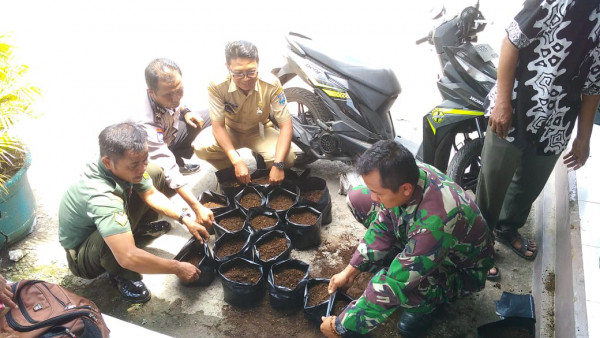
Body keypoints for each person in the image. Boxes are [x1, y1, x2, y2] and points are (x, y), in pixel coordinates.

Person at [476, 0, 600, 278]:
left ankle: (507, 227)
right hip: (517, 106)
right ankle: (478, 243)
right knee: (493, 181)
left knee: (530, 183)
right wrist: (503, 103)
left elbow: (594, 84)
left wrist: (583, 138)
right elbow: (512, 41)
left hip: (558, 120)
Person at [320, 140, 494, 337]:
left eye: (377, 193)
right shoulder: (408, 173)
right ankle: (404, 255)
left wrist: (341, 325)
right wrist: (351, 270)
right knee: (357, 197)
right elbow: (384, 222)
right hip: (430, 243)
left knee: (408, 286)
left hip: (459, 269)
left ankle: (427, 308)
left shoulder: (436, 222)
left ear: (405, 189)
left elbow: (395, 284)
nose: (374, 197)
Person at [58, 123, 212, 304]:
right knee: (114, 244)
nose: (141, 168)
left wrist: (185, 219)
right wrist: (176, 267)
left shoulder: (117, 163)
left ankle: (135, 231)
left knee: (154, 173)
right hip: (83, 254)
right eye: (134, 165)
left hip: (103, 222)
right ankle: (121, 275)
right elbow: (128, 256)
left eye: (144, 159)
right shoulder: (101, 196)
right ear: (107, 162)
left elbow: (150, 193)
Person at [193, 40, 295, 185]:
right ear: (228, 67)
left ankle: (263, 162)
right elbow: (218, 126)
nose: (246, 79)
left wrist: (278, 165)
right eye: (239, 73)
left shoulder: (272, 83)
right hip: (230, 129)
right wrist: (237, 161)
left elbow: (286, 126)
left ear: (257, 63)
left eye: (251, 72)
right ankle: (230, 171)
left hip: (259, 130)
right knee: (201, 148)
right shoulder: (217, 86)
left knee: (288, 158)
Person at [135, 58, 213, 228]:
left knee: (205, 117)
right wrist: (196, 207)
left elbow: (176, 100)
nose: (176, 98)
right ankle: (143, 221)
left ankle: (179, 161)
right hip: (147, 153)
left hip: (166, 135)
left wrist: (185, 111)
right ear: (151, 93)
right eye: (169, 94)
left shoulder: (170, 94)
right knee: (161, 174)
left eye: (179, 91)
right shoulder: (145, 120)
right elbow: (163, 158)